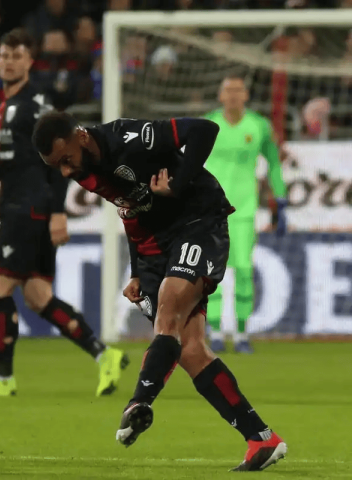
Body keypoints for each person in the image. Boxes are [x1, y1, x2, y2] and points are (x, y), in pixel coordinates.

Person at [32, 110, 287, 472]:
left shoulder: (129, 137)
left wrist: (178, 183)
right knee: (191, 350)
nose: (65, 171)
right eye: (57, 165)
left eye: (66, 159)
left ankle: (138, 403)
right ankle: (262, 439)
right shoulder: (85, 172)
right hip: (155, 246)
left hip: (198, 222)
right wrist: (137, 271)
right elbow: (129, 209)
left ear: (81, 137)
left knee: (168, 314)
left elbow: (204, 129)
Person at [0, 28, 128, 399]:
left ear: (30, 61)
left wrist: (58, 212)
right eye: (4, 55)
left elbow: (61, 157)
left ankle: (2, 379)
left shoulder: (33, 105)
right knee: (38, 296)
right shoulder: (5, 109)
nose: (9, 62)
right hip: (26, 208)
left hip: (26, 210)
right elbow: (1, 165)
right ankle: (105, 355)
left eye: (17, 56)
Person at [203, 75, 288, 354]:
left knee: (243, 270)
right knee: (211, 272)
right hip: (211, 211)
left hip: (244, 211)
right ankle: (215, 332)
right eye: (228, 90)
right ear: (220, 95)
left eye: (238, 90)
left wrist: (281, 200)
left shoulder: (259, 126)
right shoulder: (207, 125)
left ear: (246, 95)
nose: (233, 95)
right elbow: (188, 164)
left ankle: (241, 334)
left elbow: (273, 163)